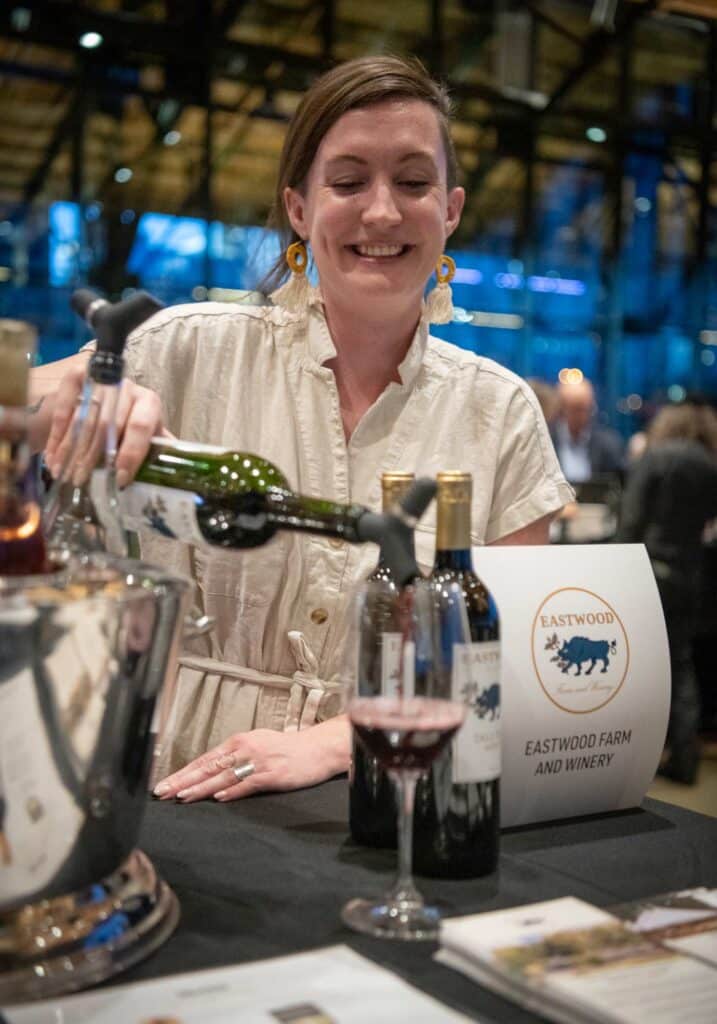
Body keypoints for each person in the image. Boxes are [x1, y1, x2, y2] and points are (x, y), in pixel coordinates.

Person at [29, 55, 573, 803]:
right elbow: (20, 410)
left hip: (384, 800)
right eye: (347, 183)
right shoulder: (186, 346)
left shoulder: (501, 411)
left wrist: (333, 739)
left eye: (412, 183)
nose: (381, 212)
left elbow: (512, 661)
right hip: (157, 777)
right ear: (298, 208)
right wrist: (92, 400)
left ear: (449, 211)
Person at [616, 402, 717, 784]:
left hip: (649, 572)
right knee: (681, 664)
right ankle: (685, 756)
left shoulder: (655, 457)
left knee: (639, 667)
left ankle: (633, 757)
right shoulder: (710, 464)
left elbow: (631, 519)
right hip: (690, 578)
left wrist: (617, 569)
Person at [552, 377, 625, 483]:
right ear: (561, 409)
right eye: (576, 409)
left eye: (587, 408)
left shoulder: (609, 444)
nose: (582, 415)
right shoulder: (546, 441)